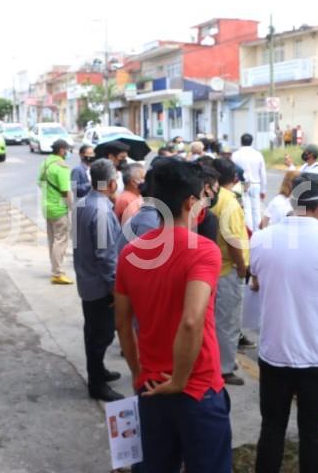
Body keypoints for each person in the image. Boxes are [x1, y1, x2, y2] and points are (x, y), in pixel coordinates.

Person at [115, 159, 231, 472]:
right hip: (197, 387)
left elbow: (123, 323)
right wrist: (179, 379)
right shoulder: (204, 250)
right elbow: (191, 320)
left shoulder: (130, 254)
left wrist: (139, 372)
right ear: (190, 202)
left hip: (151, 384)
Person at [251, 173, 318, 473]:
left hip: (275, 351)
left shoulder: (262, 239)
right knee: (312, 433)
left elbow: (257, 279)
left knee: (271, 428)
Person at [73, 159, 123, 402]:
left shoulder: (84, 203)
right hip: (100, 285)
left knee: (93, 331)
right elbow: (105, 256)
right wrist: (115, 288)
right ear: (112, 183)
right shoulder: (101, 211)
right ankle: (97, 383)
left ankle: (98, 371)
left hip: (87, 280)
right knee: (100, 334)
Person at [211, 158, 249, 385]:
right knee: (227, 323)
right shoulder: (230, 203)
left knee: (215, 322)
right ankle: (224, 368)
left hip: (213, 268)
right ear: (234, 179)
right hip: (227, 269)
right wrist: (242, 268)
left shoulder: (211, 199)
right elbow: (234, 240)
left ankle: (218, 362)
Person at [39, 139, 74, 285]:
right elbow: (66, 191)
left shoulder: (45, 163)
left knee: (52, 240)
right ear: (61, 150)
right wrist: (73, 208)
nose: (68, 152)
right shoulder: (62, 167)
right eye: (66, 150)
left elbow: (39, 182)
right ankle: (58, 273)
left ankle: (54, 269)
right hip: (59, 209)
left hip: (46, 207)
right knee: (61, 240)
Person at [231, 133, 266, 232]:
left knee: (246, 210)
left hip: (242, 183)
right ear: (252, 142)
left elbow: (233, 171)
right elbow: (262, 173)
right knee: (256, 210)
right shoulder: (258, 154)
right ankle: (258, 232)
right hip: (256, 183)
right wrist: (263, 189)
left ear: (241, 141)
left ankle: (249, 233)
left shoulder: (236, 154)